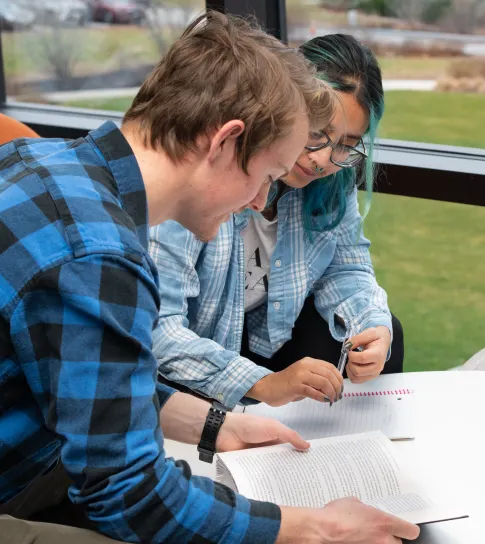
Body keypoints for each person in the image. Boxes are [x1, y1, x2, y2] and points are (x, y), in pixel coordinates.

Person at [0, 12, 418, 544]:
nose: (262, 198)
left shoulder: (30, 162)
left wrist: (214, 422)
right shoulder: (97, 252)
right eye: (264, 174)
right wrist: (315, 530)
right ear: (226, 142)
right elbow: (128, 492)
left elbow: (80, 378)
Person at [150, 33, 401, 410]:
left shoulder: (333, 181)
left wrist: (373, 326)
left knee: (383, 330)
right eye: (316, 134)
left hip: (265, 336)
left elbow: (346, 267)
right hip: (189, 356)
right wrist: (264, 383)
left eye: (346, 145)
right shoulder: (196, 179)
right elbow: (158, 330)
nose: (322, 160)